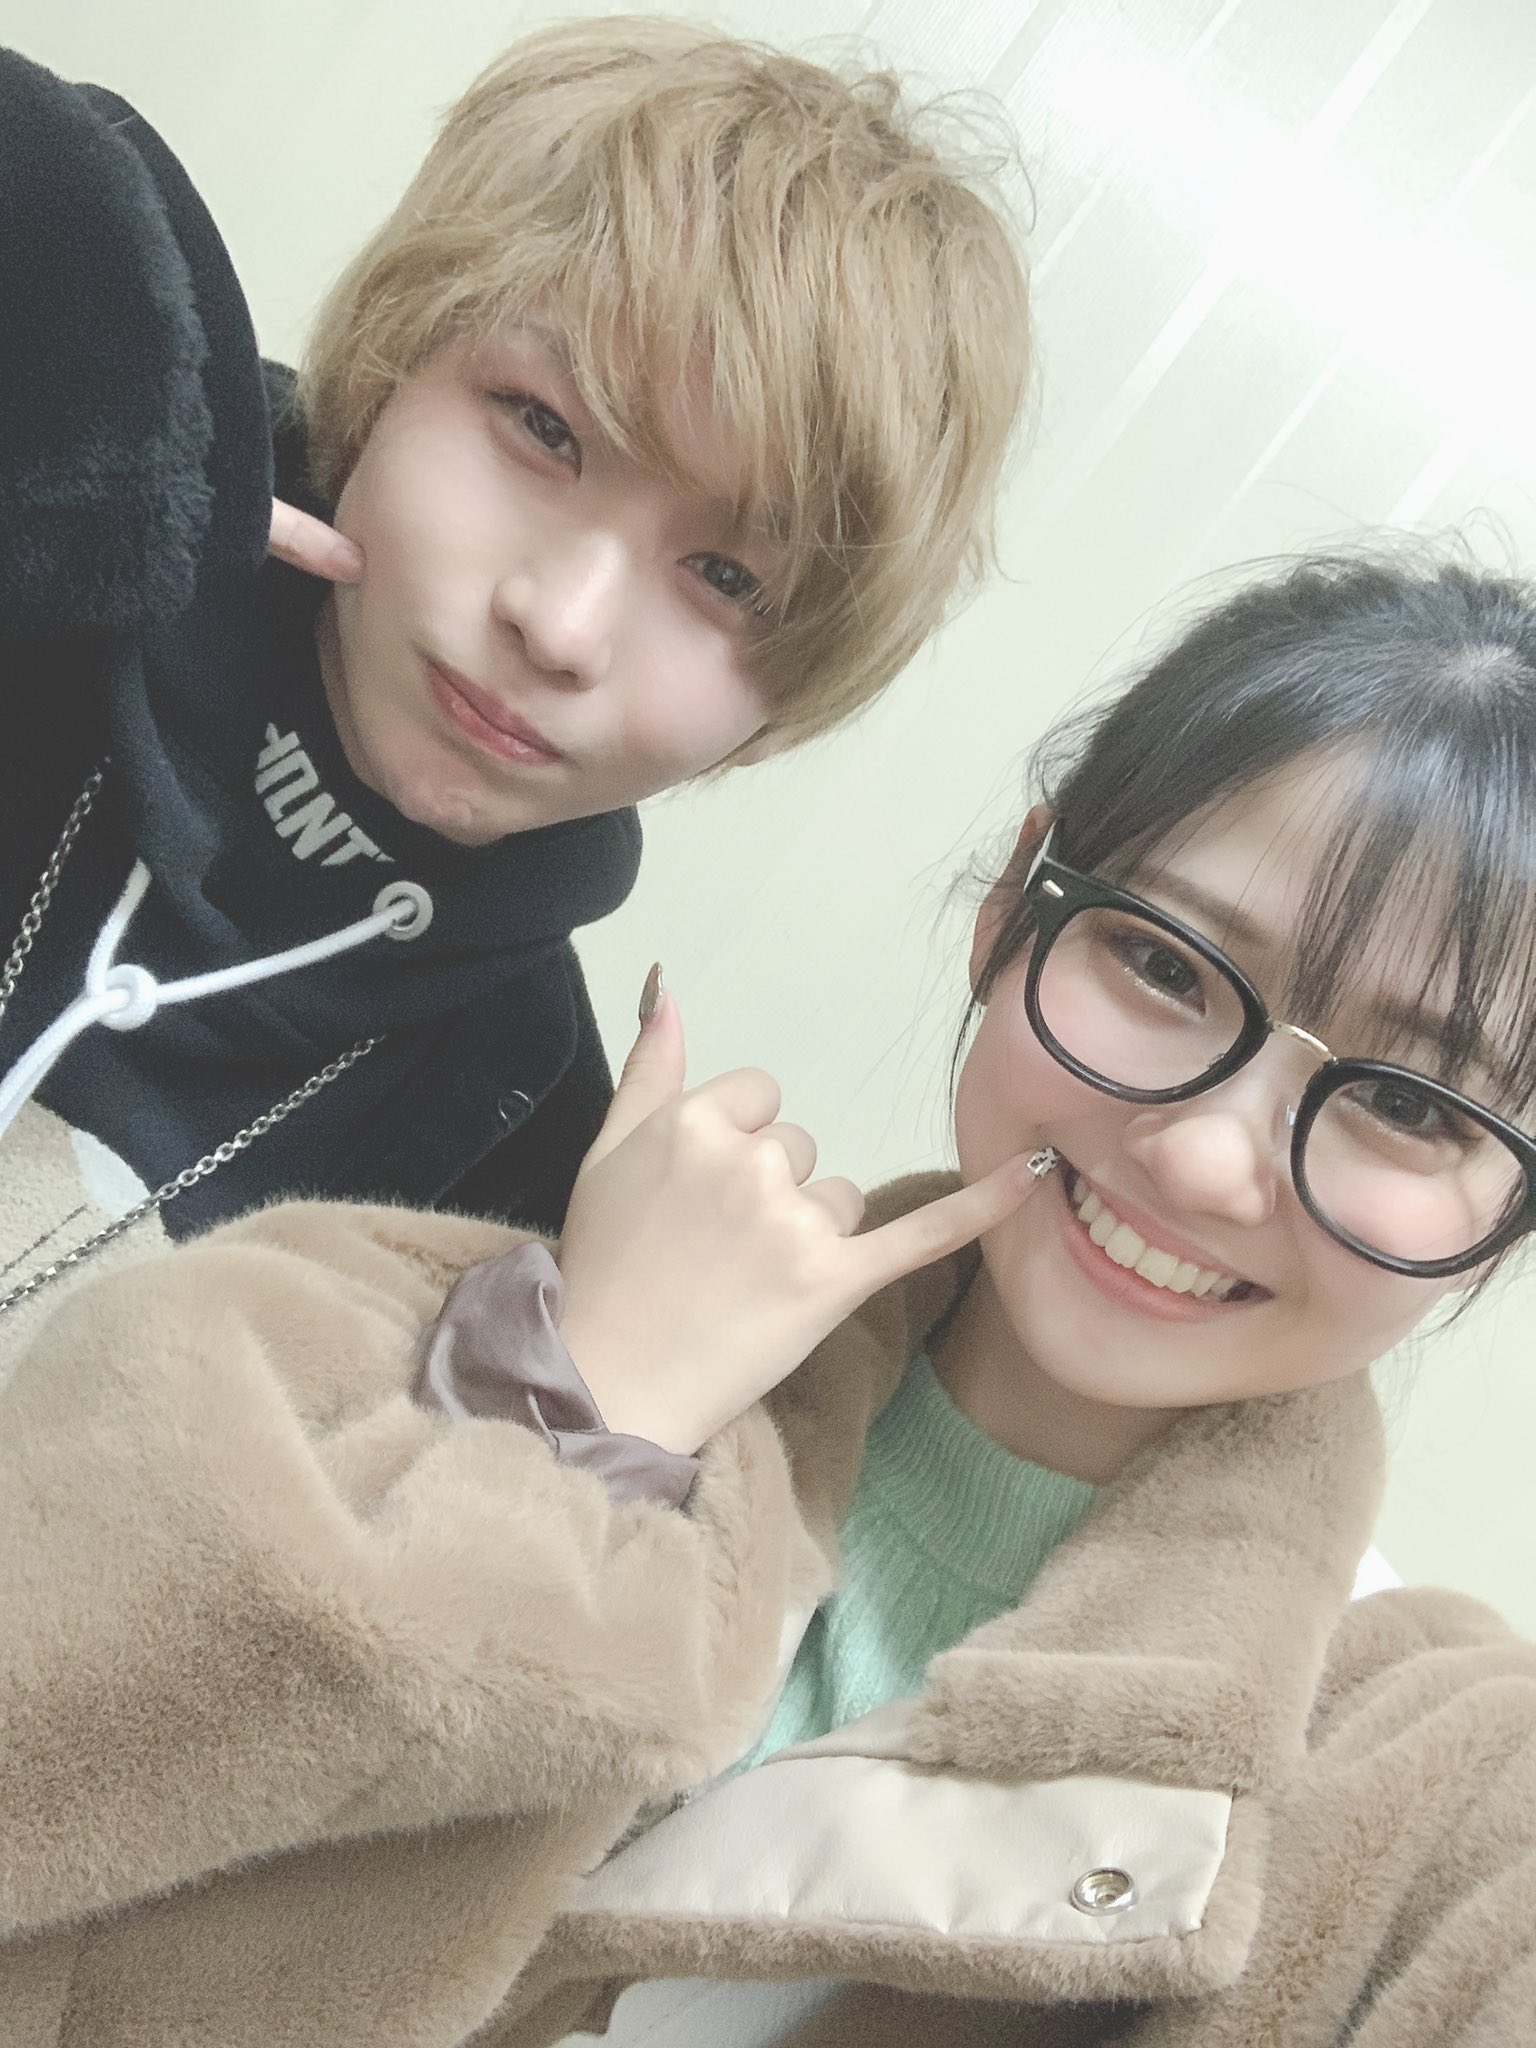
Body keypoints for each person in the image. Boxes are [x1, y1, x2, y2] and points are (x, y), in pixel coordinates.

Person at [5, 551, 1536, 2047]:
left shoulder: (1436, 1784)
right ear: (1014, 903)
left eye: (1412, 1106)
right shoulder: (416, 1310)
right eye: (1165, 964)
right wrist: (567, 1418)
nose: (1204, 1157)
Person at [0, 19, 1030, 1276]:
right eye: (543, 427)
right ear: (388, 355)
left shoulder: (529, 1163)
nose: (562, 625)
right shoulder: (39, 556)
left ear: (786, 702)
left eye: (726, 577)